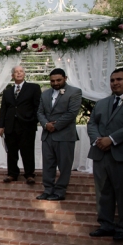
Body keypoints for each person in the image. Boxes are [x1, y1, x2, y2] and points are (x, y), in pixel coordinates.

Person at [87, 68, 123, 242]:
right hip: (100, 154)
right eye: (112, 80)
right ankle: (106, 224)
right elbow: (92, 123)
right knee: (103, 192)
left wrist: (112, 139)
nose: (115, 83)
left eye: (119, 79)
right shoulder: (102, 103)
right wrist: (98, 140)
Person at [36, 68, 83, 201]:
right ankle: (48, 189)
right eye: (52, 81)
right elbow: (39, 112)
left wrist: (55, 126)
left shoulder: (75, 92)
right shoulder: (45, 94)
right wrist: (46, 124)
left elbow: (72, 113)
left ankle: (60, 191)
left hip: (65, 135)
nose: (55, 83)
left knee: (64, 165)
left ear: (65, 78)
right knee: (48, 164)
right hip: (47, 135)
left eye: (58, 80)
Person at [0, 65, 42, 184]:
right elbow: (3, 109)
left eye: (21, 71)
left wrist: (33, 120)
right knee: (11, 152)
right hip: (10, 126)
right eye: (16, 72)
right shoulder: (7, 91)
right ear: (12, 76)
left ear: (24, 74)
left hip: (27, 126)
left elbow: (38, 106)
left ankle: (29, 174)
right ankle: (12, 174)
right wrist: (1, 125)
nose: (18, 73)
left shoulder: (33, 88)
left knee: (27, 151)